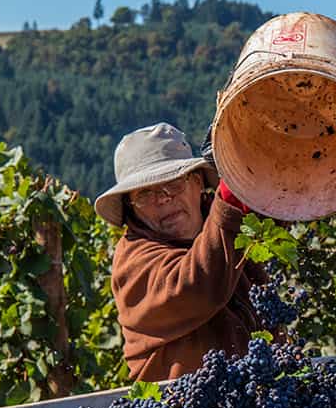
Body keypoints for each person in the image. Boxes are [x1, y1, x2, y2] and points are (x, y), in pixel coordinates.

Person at [96, 122, 266, 382]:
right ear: (131, 208)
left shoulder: (236, 229)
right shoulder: (134, 262)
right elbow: (198, 286)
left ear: (198, 183)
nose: (163, 199)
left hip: (259, 402)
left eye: (173, 184)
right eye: (144, 194)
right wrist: (231, 194)